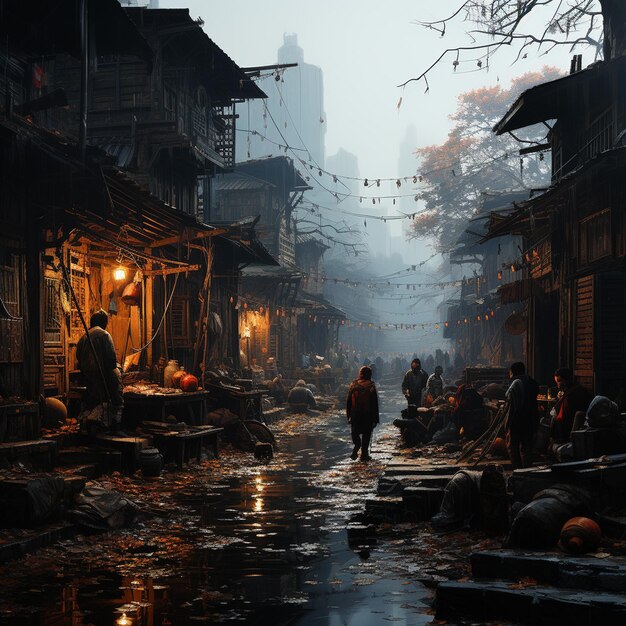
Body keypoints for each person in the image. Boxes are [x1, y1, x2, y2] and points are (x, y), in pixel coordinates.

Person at [76, 309, 124, 434]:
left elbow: (78, 359)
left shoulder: (83, 337)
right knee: (116, 398)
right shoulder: (104, 335)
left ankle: (93, 426)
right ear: (104, 322)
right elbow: (111, 361)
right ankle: (115, 427)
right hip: (103, 375)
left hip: (89, 377)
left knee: (95, 401)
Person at [504, 362, 539, 469]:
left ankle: (518, 470)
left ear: (512, 372)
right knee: (527, 447)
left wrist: (507, 423)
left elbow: (510, 401)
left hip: (517, 420)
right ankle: (527, 470)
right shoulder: (532, 382)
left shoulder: (515, 383)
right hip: (530, 420)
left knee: (513, 446)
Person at [550, 367, 593, 444]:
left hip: (569, 433)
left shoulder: (571, 395)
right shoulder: (576, 390)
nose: (558, 385)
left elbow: (563, 418)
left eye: (559, 381)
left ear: (567, 380)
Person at [346, 366, 379, 462]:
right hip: (367, 415)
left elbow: (348, 402)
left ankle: (357, 446)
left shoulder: (353, 384)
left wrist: (348, 416)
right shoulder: (371, 386)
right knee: (366, 435)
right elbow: (374, 404)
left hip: (355, 414)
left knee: (355, 433)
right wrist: (375, 419)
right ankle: (364, 454)